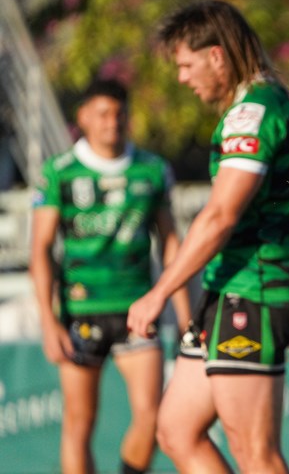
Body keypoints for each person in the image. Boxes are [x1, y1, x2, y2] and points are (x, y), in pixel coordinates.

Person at [125, 0, 289, 474]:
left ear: (216, 55)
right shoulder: (288, 105)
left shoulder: (252, 112)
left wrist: (158, 293)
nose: (181, 78)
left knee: (256, 454)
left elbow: (219, 216)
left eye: (185, 65)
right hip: (237, 291)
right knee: (175, 430)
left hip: (252, 293)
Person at [29, 78, 191, 474]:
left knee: (153, 415)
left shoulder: (152, 170)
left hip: (139, 308)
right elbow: (40, 250)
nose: (112, 123)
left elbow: (172, 243)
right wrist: (48, 322)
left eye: (119, 114)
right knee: (79, 423)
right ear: (82, 117)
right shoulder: (60, 172)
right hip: (82, 310)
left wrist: (186, 314)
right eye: (102, 114)